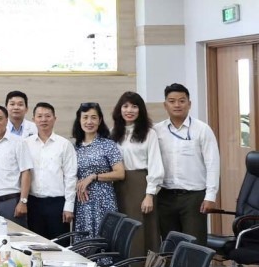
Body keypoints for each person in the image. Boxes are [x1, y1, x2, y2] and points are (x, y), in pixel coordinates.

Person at [153, 83, 220, 245]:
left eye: (182, 101)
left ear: (189, 104)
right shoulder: (156, 131)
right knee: (170, 245)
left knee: (195, 246)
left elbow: (213, 163)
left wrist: (210, 196)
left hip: (194, 197)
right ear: (165, 105)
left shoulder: (202, 129)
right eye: (172, 101)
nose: (177, 105)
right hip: (165, 196)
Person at [110, 92, 164, 257]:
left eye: (134, 106)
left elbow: (155, 164)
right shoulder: (113, 133)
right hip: (118, 186)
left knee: (140, 232)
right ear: (119, 109)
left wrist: (149, 195)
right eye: (125, 106)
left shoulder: (149, 133)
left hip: (141, 186)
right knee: (121, 230)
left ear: (140, 110)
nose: (129, 110)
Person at [25, 103, 78, 240]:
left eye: (48, 116)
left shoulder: (64, 144)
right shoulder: (26, 144)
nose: (43, 119)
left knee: (60, 245)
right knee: (36, 244)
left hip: (57, 204)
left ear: (54, 119)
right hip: (33, 203)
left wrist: (69, 206)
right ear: (33, 119)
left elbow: (70, 176)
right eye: (39, 116)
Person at [72, 102, 126, 237]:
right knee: (84, 239)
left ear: (100, 120)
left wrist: (93, 177)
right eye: (85, 117)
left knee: (104, 239)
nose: (89, 122)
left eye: (93, 117)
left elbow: (120, 173)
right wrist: (77, 183)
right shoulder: (74, 147)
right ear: (79, 120)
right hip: (82, 201)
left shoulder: (108, 144)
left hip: (104, 200)